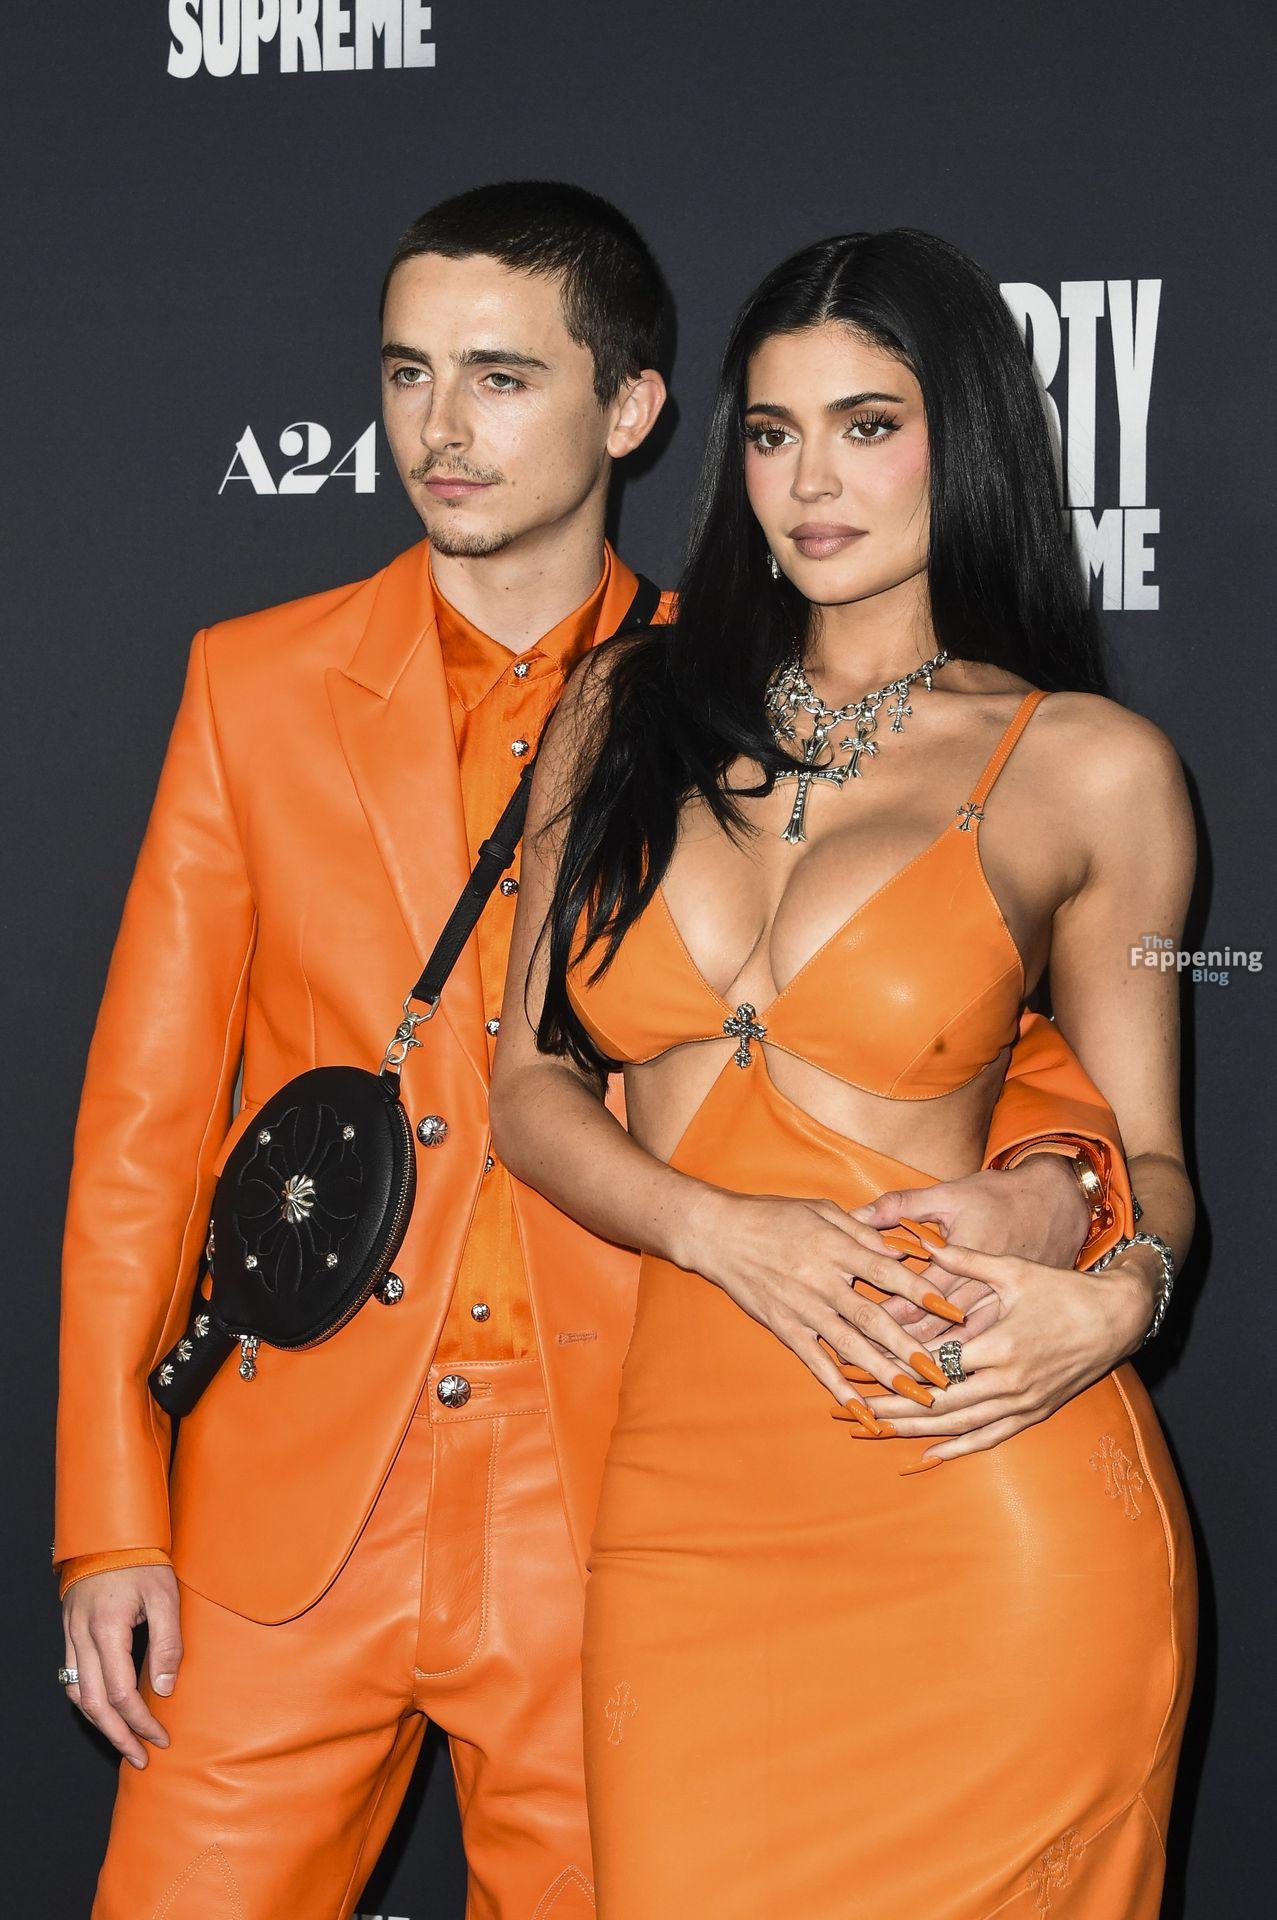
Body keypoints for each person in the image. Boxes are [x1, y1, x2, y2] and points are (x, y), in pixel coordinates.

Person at [54, 183, 1133, 1918]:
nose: (440, 429)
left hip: (624, 1496)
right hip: (287, 1507)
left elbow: (973, 1028)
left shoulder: (737, 699)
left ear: (630, 410)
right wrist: (112, 1518)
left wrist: (1059, 1198)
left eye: (498, 377)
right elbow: (144, 1131)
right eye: (407, 374)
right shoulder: (250, 687)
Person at [489, 227, 1197, 1918]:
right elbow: (526, 1087)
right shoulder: (617, 710)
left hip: (979, 1492)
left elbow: (1154, 1159)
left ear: (966, 440)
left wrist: (1123, 1298)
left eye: (868, 426)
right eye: (771, 431)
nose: (810, 481)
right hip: (686, 1514)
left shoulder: (1090, 769)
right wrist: (716, 1229)